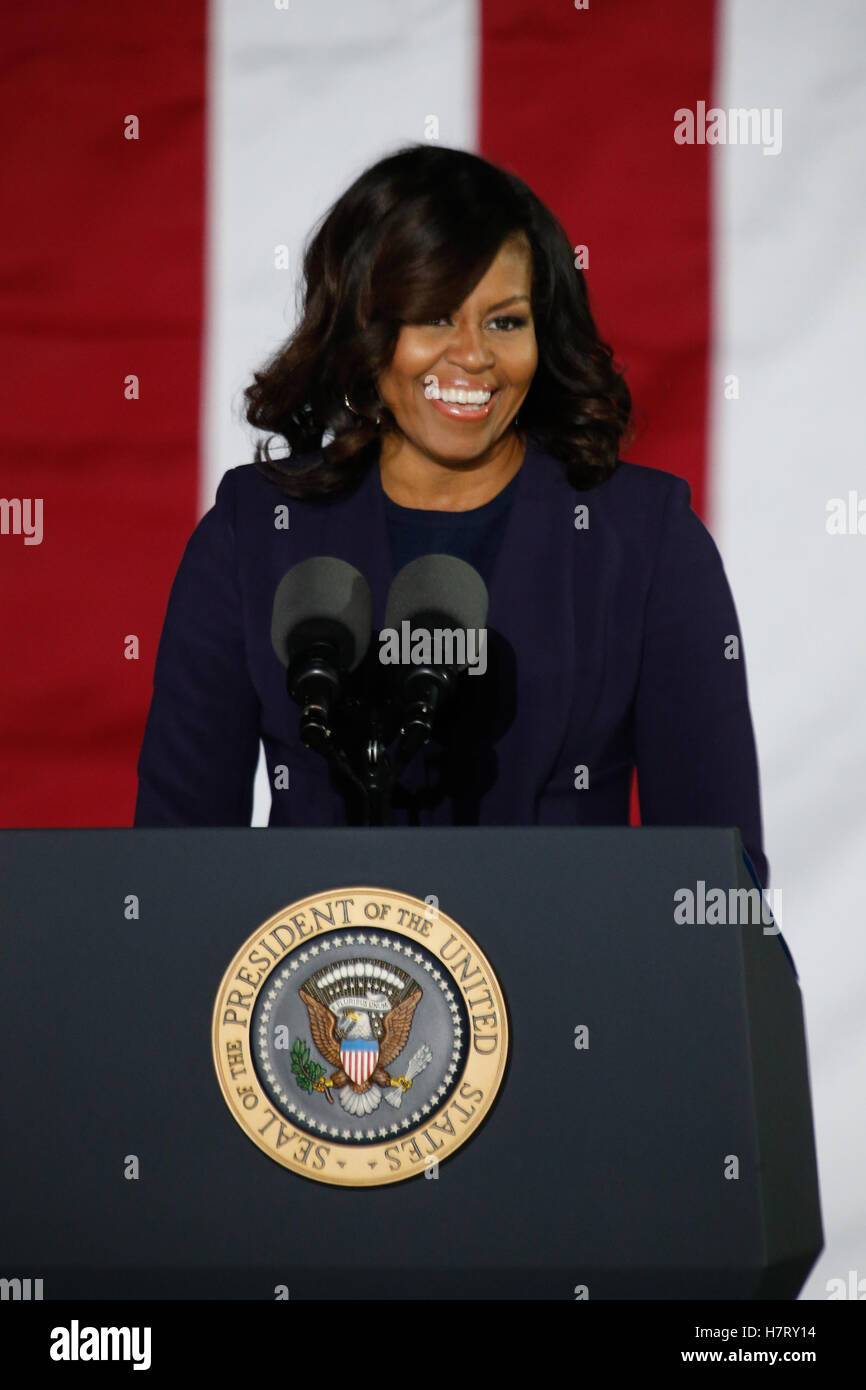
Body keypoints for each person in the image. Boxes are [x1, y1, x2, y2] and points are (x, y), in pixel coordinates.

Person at [133, 143, 769, 889]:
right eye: (435, 316)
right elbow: (171, 869)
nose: (473, 357)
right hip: (322, 1002)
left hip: (568, 995)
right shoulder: (253, 533)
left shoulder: (646, 539)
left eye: (505, 322)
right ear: (366, 329)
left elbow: (717, 884)